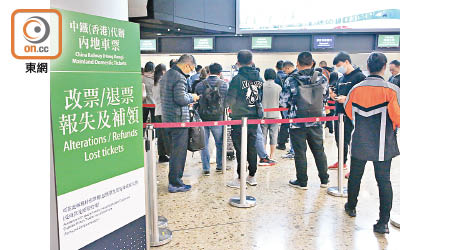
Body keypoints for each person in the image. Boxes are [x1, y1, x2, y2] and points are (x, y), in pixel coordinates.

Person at [343, 52, 400, 234]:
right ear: (384, 67)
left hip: (360, 140)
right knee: (384, 181)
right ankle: (383, 223)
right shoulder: (392, 90)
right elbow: (398, 119)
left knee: (355, 176)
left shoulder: (355, 89)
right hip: (383, 144)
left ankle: (351, 207)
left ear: (367, 67)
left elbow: (349, 113)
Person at [280, 52, 329, 189]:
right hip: (317, 120)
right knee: (319, 150)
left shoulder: (291, 80)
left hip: (297, 122)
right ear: (313, 63)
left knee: (300, 152)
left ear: (297, 63)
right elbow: (325, 97)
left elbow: (283, 102)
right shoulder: (322, 78)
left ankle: (302, 182)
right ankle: (324, 180)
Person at [160, 54, 200, 193]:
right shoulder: (180, 77)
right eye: (192, 68)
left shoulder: (167, 75)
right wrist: (193, 97)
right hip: (178, 121)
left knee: (173, 152)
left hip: (167, 119)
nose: (191, 71)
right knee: (179, 153)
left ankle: (174, 180)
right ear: (187, 65)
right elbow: (180, 98)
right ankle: (176, 183)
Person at [226, 50, 263, 188]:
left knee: (240, 148)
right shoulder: (259, 78)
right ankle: (252, 176)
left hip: (239, 118)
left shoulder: (237, 79)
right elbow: (260, 97)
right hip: (254, 117)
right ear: (251, 62)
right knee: (251, 146)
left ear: (238, 62)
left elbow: (230, 100)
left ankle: (241, 177)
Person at [328, 52, 366, 172]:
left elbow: (363, 97)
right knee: (340, 139)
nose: (339, 68)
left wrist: (347, 99)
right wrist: (333, 95)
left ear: (347, 62)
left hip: (352, 115)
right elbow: (338, 93)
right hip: (339, 114)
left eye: (340, 65)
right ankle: (342, 161)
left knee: (352, 142)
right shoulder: (341, 78)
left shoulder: (360, 77)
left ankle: (354, 168)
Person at [195, 63, 228, 176]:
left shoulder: (200, 85)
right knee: (220, 143)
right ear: (220, 73)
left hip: (203, 118)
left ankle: (206, 168)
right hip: (218, 118)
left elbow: (197, 99)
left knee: (204, 143)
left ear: (208, 72)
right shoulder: (224, 85)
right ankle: (219, 166)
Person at [261, 68, 282, 160]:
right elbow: (281, 101)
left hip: (263, 115)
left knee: (263, 136)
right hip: (275, 115)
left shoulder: (261, 86)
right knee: (274, 136)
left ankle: (263, 155)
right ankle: (272, 155)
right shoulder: (278, 87)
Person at [153, 63, 170, 163]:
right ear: (163, 71)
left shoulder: (155, 82)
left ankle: (161, 155)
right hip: (164, 111)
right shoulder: (162, 82)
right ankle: (168, 153)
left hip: (157, 111)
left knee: (160, 136)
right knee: (166, 135)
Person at [277, 61, 296, 151]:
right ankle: (294, 150)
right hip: (302, 110)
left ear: (288, 68)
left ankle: (292, 151)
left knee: (292, 129)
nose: (284, 72)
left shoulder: (290, 79)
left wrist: (283, 106)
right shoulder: (300, 76)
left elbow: (284, 98)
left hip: (291, 109)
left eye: (285, 71)